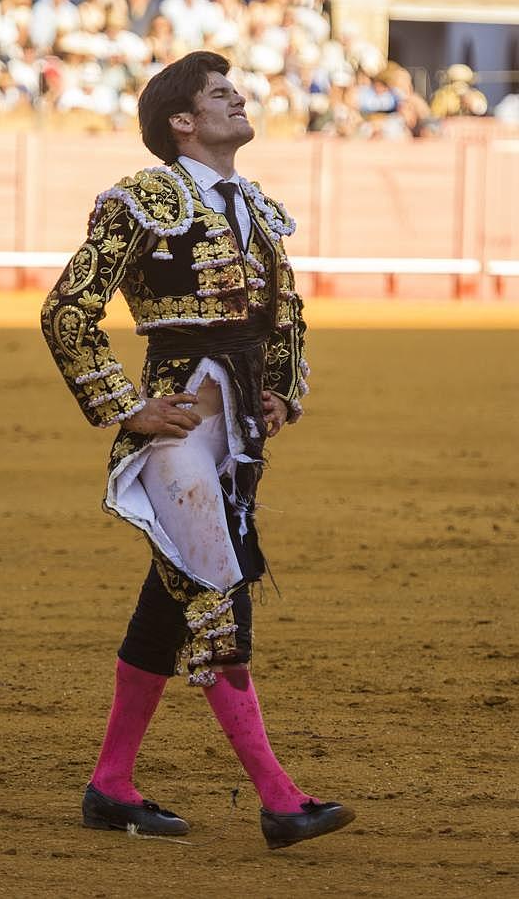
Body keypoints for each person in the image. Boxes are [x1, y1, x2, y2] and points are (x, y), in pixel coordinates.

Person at [41, 50, 355, 850]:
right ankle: (280, 799)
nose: (238, 99)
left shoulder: (257, 205)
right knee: (218, 596)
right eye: (221, 94)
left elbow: (282, 319)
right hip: (178, 433)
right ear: (183, 120)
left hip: (239, 439)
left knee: (169, 604)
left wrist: (283, 389)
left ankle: (110, 787)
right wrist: (128, 408)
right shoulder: (141, 200)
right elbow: (66, 313)